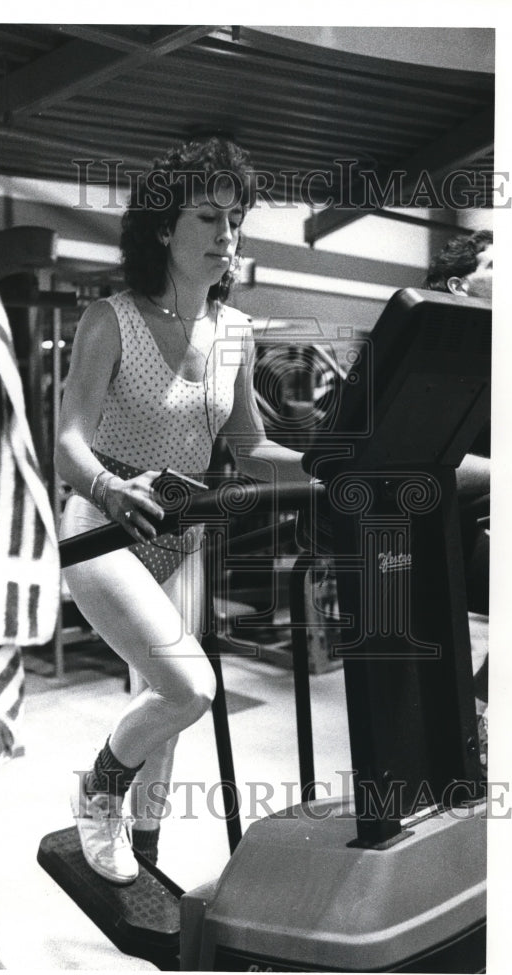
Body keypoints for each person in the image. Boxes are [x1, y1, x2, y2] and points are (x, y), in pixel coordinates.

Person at [57, 136, 311, 884]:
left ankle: (142, 852)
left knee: (163, 708)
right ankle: (98, 789)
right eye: (207, 218)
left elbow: (249, 444)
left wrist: (334, 467)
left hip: (182, 527)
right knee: (188, 687)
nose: (225, 236)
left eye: (233, 221)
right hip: (106, 524)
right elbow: (68, 439)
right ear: (164, 229)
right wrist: (107, 486)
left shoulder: (233, 331)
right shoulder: (112, 319)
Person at [425, 228, 493, 775]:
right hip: (441, 543)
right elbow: (426, 457)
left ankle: (478, 711)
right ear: (461, 286)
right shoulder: (438, 356)